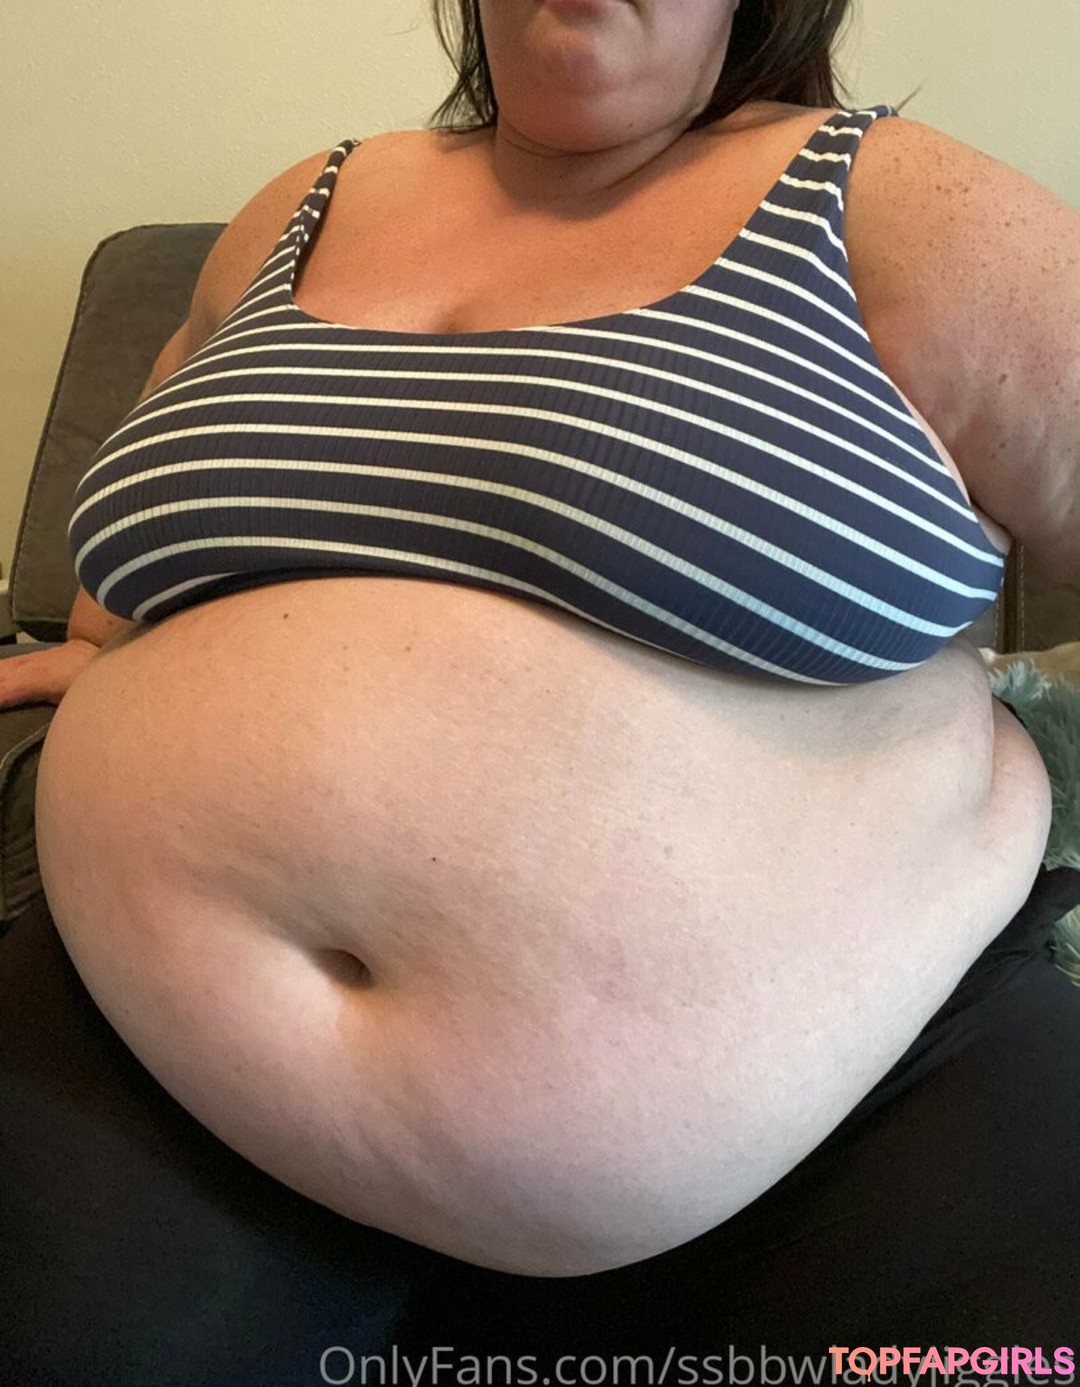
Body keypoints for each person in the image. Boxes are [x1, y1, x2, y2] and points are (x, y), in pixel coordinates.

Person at [3, 0, 1080, 1364]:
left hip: (863, 1090)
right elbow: (132, 562)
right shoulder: (300, 206)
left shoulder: (911, 210)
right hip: (154, 1036)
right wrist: (104, 669)